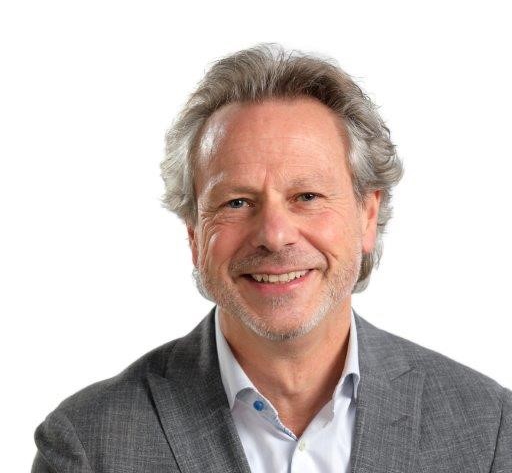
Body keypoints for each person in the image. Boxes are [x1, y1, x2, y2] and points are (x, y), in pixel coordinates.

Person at [32, 44, 511, 472]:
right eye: (237, 202)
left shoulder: (490, 431)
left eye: (307, 196)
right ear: (194, 234)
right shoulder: (89, 447)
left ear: (368, 215)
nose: (275, 236)